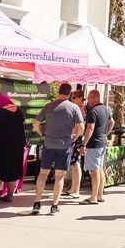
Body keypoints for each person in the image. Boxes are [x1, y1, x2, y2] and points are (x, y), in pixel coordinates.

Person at [31, 83, 83, 215]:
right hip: (64, 145)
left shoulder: (48, 106)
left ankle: (37, 203)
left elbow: (36, 123)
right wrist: (74, 138)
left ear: (59, 91)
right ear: (70, 94)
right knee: (60, 176)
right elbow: (81, 128)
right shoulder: (74, 107)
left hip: (49, 144)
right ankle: (54, 205)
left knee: (43, 173)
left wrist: (42, 134)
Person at [80, 89, 114, 204]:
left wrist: (84, 143)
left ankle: (93, 197)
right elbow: (112, 122)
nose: (88, 101)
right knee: (99, 170)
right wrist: (105, 134)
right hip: (102, 142)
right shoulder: (106, 109)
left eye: (89, 98)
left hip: (94, 143)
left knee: (94, 171)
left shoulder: (93, 111)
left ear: (95, 97)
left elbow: (90, 128)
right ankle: (99, 195)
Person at [61, 89, 86, 199]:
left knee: (76, 164)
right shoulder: (78, 108)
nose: (72, 99)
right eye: (72, 97)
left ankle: (76, 189)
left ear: (80, 98)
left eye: (74, 97)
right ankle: (73, 188)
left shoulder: (80, 109)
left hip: (77, 138)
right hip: (75, 138)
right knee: (74, 164)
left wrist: (74, 137)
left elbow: (79, 126)